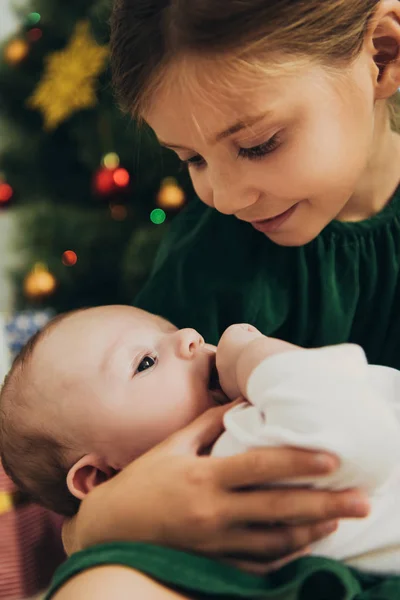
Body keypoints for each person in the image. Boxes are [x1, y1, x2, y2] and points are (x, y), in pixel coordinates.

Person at [45, 0, 400, 597]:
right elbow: (130, 451)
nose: (226, 195)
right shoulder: (206, 261)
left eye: (259, 144)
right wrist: (92, 528)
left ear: (383, 56)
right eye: (192, 159)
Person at [2, 305, 400, 576]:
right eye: (145, 362)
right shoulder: (228, 468)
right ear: (103, 478)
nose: (191, 336)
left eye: (172, 331)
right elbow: (362, 438)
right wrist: (254, 356)